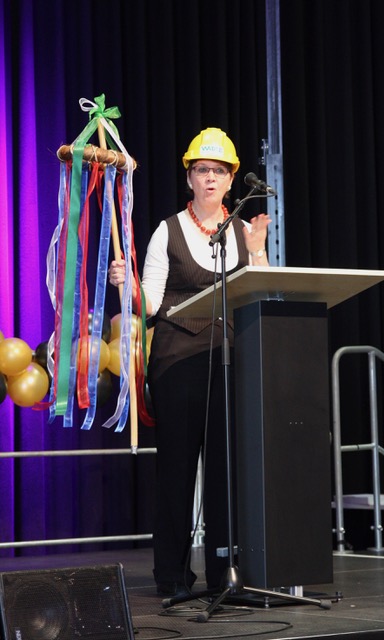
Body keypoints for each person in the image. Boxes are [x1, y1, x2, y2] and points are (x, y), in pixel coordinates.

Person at [109, 127, 271, 596]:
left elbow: (262, 295)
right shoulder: (168, 230)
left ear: (232, 179)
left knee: (226, 472)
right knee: (177, 471)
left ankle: (226, 574)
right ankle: (173, 576)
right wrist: (126, 285)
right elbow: (150, 304)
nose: (210, 178)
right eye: (202, 170)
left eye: (219, 171)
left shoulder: (243, 231)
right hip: (178, 362)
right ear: (189, 177)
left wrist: (257, 251)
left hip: (230, 363)